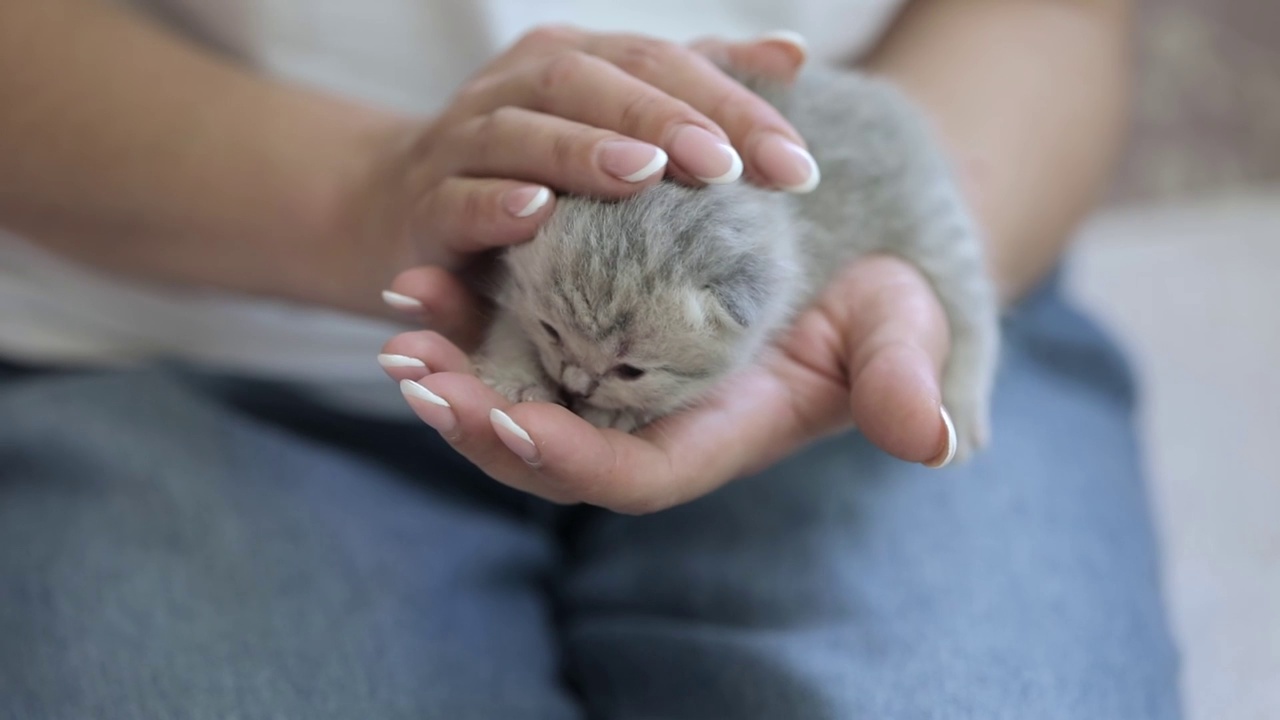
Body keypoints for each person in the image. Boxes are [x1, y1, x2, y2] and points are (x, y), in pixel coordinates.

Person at [0, 1, 1181, 718]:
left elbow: (1059, 13)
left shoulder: (772, 293)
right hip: (174, 311)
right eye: (563, 351)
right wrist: (365, 198)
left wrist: (928, 295)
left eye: (605, 377)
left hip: (860, 338)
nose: (572, 390)